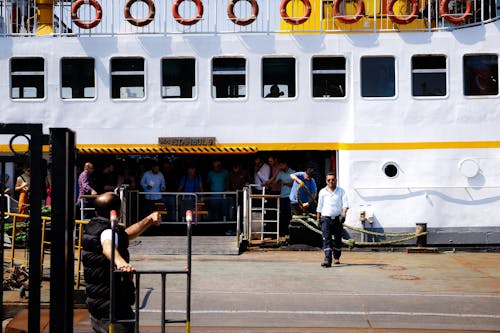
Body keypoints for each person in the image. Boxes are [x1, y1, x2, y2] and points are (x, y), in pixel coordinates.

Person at [82, 192, 161, 333]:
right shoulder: (107, 231)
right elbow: (108, 247)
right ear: (118, 212)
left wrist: (148, 220)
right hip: (112, 305)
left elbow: (125, 235)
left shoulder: (94, 226)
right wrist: (121, 263)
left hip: (98, 303)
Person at [316, 172, 348, 267]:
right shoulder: (322, 192)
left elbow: (345, 205)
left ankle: (337, 256)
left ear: (336, 181)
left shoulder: (341, 191)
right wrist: (318, 219)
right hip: (325, 219)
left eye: (333, 180)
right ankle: (327, 260)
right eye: (329, 180)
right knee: (326, 239)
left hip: (337, 219)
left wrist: (343, 214)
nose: (331, 181)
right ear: (326, 181)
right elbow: (319, 206)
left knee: (338, 240)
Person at [274, 160, 295, 236]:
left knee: (290, 214)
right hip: (282, 196)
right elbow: (274, 182)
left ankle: (290, 232)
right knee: (282, 214)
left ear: (285, 164)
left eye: (281, 165)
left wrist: (285, 183)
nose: (280, 167)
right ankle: (283, 232)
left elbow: (294, 184)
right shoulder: (280, 173)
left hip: (290, 197)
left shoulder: (293, 172)